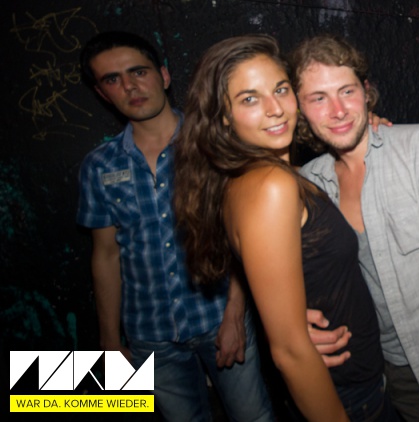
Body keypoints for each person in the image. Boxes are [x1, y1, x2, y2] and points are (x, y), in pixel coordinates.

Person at [172, 34, 395, 422]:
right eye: (249, 99)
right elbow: (290, 352)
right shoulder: (270, 186)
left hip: (354, 383)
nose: (275, 109)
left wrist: (363, 126)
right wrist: (292, 335)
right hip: (345, 399)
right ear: (223, 116)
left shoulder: (258, 175)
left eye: (280, 89)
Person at [76, 31, 273, 422]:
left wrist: (236, 313)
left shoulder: (214, 145)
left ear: (163, 75)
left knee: (253, 417)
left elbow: (244, 237)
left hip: (218, 317)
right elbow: (106, 255)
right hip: (149, 332)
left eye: (138, 71)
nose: (130, 86)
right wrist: (109, 339)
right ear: (102, 93)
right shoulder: (99, 166)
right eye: (113, 79)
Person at [290, 35, 419, 422]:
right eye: (318, 98)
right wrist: (294, 327)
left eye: (347, 91)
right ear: (299, 110)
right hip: (364, 374)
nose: (338, 110)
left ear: (366, 92)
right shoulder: (311, 182)